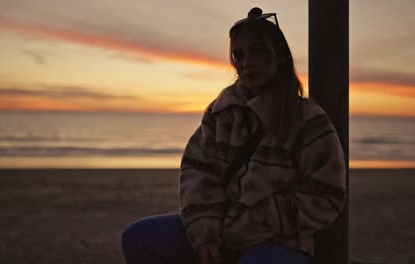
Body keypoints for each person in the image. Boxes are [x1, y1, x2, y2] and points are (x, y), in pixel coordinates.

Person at [121, 7, 347, 264]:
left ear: (279, 57)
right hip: (218, 231)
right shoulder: (222, 113)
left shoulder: (309, 121)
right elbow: (199, 171)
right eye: (238, 55)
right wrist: (205, 230)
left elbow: (327, 195)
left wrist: (257, 220)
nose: (246, 63)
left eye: (257, 51)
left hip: (280, 241)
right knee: (138, 238)